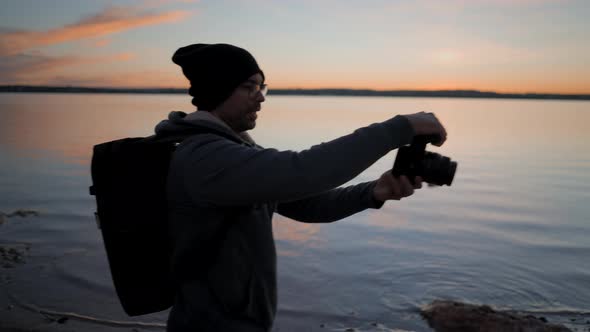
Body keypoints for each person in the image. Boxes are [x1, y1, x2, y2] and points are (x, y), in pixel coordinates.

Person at [157, 43, 447, 332]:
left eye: (262, 87)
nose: (260, 98)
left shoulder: (233, 150)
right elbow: (304, 170)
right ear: (218, 89)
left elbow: (307, 203)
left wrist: (374, 191)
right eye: (250, 87)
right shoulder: (206, 158)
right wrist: (401, 128)